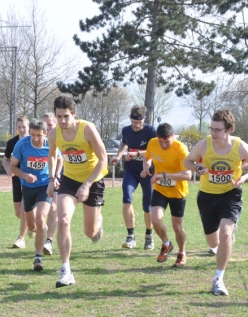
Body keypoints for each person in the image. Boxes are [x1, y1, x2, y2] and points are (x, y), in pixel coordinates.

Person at [183, 109, 248, 296]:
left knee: (225, 235)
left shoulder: (240, 146)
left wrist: (244, 178)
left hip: (230, 195)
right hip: (207, 197)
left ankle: (218, 279)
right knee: (214, 242)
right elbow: (187, 162)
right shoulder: (204, 145)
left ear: (229, 129)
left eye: (218, 130)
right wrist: (198, 167)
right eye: (211, 129)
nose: (213, 133)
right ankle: (222, 245)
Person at [47, 95, 107, 288]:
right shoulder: (54, 134)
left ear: (74, 114)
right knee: (63, 220)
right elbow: (51, 156)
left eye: (66, 116)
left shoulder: (87, 129)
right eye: (59, 117)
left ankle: (98, 222)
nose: (62, 121)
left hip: (93, 181)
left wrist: (87, 185)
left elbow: (103, 159)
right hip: (69, 181)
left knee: (90, 233)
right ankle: (66, 270)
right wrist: (51, 179)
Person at [10, 118, 62, 271]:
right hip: (27, 187)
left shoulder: (50, 144)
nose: (35, 139)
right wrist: (25, 175)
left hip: (45, 185)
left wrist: (56, 176)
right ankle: (39, 232)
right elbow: (12, 167)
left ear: (46, 133)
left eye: (39, 135)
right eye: (33, 135)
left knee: (41, 219)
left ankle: (38, 258)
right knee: (32, 226)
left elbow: (60, 160)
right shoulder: (22, 145)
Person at [141, 123, 191, 267]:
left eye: (166, 142)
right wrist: (146, 167)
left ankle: (182, 252)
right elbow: (147, 157)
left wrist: (163, 175)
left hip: (178, 192)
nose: (163, 145)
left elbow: (187, 174)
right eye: (160, 141)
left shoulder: (180, 148)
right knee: (155, 219)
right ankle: (166, 244)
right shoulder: (152, 143)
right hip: (160, 189)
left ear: (173, 137)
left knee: (177, 227)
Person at [110, 105, 157, 250]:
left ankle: (149, 236)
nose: (136, 126)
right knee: (127, 198)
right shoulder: (126, 130)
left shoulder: (151, 131)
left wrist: (137, 154)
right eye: (134, 122)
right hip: (131, 170)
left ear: (145, 119)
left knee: (147, 207)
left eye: (140, 123)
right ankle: (130, 236)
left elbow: (154, 151)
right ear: (130, 118)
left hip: (147, 171)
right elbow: (124, 142)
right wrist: (118, 156)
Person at [3, 116, 32, 248]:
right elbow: (5, 159)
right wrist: (8, 170)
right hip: (16, 178)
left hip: (28, 178)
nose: (21, 129)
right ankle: (31, 224)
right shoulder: (12, 142)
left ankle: (21, 238)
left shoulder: (33, 140)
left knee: (24, 208)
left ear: (28, 126)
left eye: (24, 127)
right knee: (18, 212)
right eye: (19, 127)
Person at [43, 111, 60, 256]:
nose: (47, 128)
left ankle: (48, 241)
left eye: (49, 125)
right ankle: (35, 226)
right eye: (45, 125)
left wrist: (55, 176)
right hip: (39, 179)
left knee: (54, 208)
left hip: (56, 177)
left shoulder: (60, 137)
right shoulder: (37, 138)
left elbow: (59, 159)